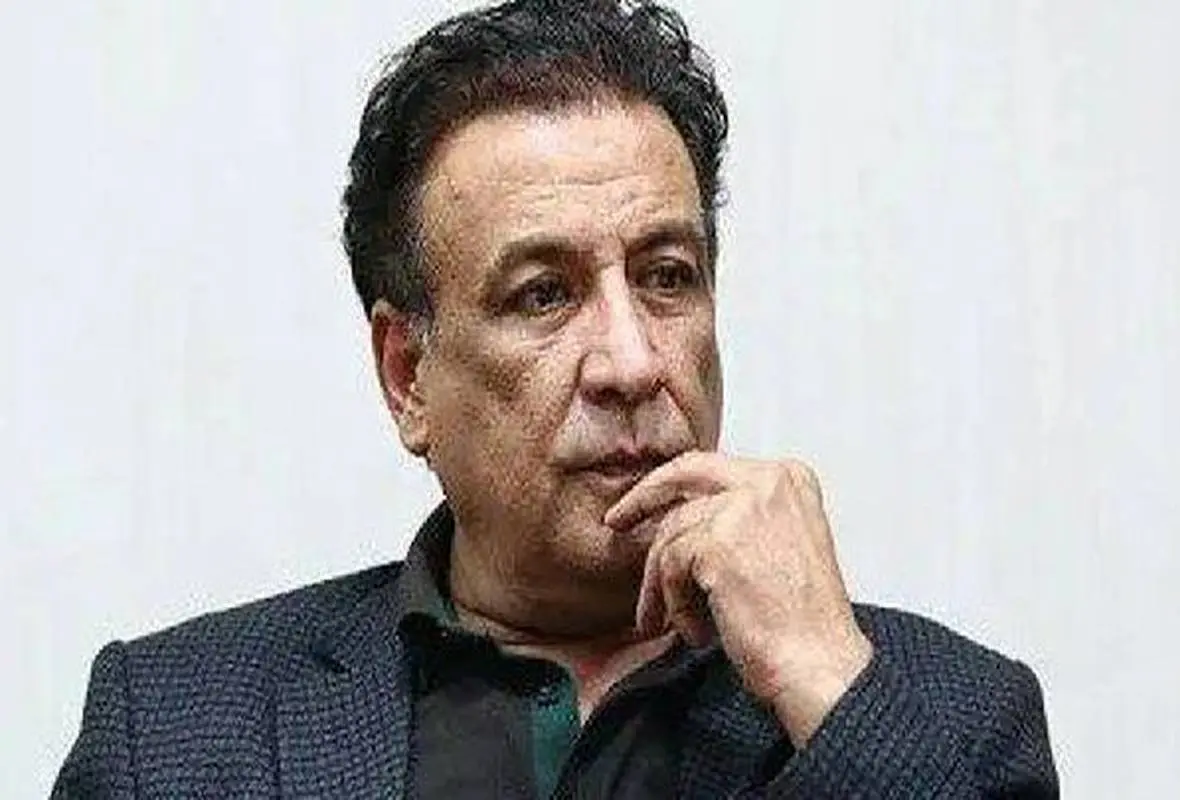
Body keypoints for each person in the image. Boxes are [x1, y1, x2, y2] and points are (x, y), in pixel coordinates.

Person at [53, 0, 1059, 796]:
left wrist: (828, 687)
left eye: (666, 277)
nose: (631, 361)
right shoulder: (175, 731)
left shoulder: (952, 715)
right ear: (408, 376)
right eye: (543, 294)